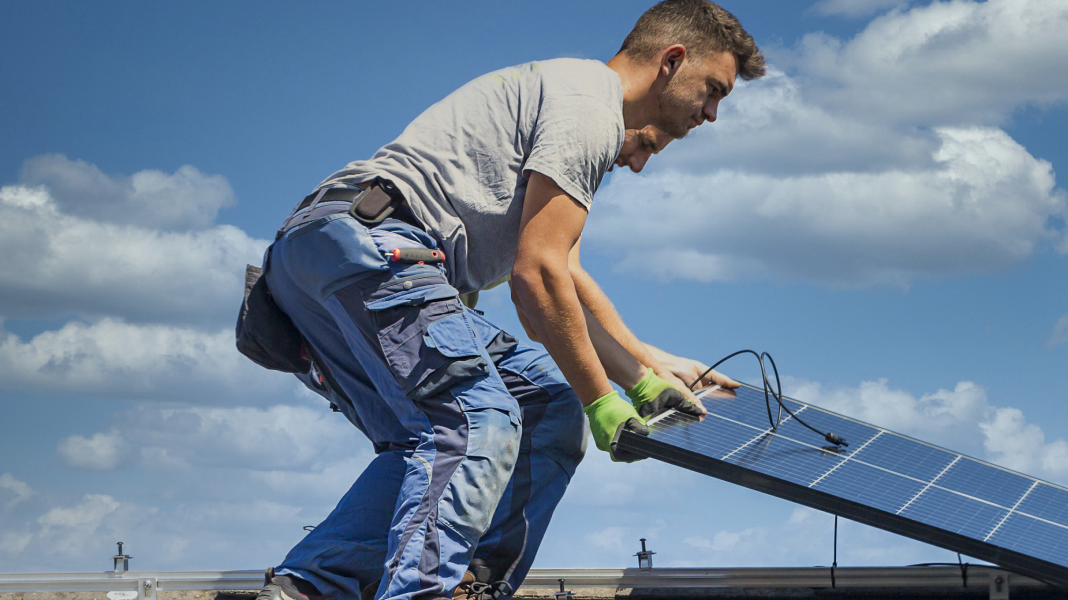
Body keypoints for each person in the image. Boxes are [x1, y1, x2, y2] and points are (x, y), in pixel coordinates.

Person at [249, 2, 764, 600]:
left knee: (542, 406)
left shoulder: (571, 97)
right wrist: (604, 400)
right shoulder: (590, 110)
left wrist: (644, 371)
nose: (713, 114)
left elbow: (562, 275)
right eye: (714, 90)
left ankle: (314, 588)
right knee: (476, 420)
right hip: (378, 247)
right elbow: (535, 281)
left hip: (322, 258)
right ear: (673, 61)